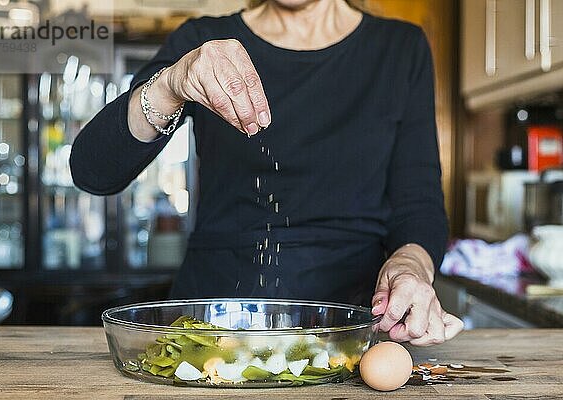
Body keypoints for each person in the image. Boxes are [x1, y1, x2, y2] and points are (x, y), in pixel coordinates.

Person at [70, 0, 464, 346]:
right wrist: (170, 84)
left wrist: (411, 265)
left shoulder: (399, 48)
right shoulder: (205, 39)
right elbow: (93, 170)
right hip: (212, 328)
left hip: (350, 327)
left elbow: (419, 203)